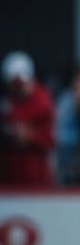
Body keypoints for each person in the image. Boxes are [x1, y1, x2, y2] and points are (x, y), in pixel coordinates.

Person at [0, 52, 56, 187]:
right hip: (9, 174)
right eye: (14, 84)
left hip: (35, 175)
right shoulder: (6, 101)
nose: (18, 88)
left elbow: (51, 139)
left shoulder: (42, 100)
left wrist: (29, 136)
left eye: (20, 84)